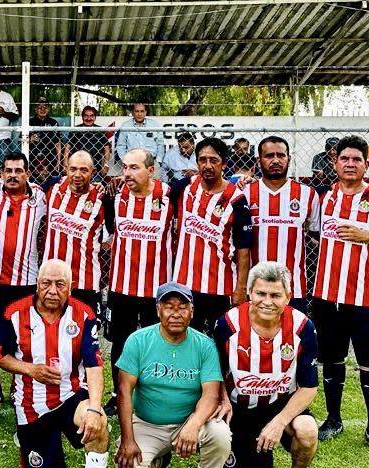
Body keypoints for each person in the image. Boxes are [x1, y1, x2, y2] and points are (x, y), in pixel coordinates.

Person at [311, 135, 369, 452]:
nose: (350, 164)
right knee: (331, 361)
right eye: (344, 159)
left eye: (356, 159)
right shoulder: (323, 197)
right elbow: (311, 231)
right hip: (326, 297)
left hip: (367, 299)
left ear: (366, 164)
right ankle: (334, 419)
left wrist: (365, 236)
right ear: (335, 163)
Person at [0, 260, 111, 468]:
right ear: (37, 284)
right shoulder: (15, 313)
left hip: (71, 395)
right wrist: (30, 369)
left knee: (98, 421)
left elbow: (93, 365)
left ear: (71, 287)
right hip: (31, 403)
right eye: (46, 283)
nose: (52, 290)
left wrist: (94, 407)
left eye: (60, 284)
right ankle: (34, 442)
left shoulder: (84, 315)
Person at [113, 282, 230, 468]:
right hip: (148, 422)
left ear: (192, 312)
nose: (175, 313)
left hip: (189, 421)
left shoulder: (204, 345)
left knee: (220, 434)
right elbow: (124, 391)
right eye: (168, 307)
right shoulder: (138, 340)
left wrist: (193, 426)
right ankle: (157, 464)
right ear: (158, 310)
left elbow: (211, 394)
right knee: (127, 467)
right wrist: (127, 438)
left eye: (182, 307)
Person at [213, 262, 319, 468]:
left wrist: (279, 422)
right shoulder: (228, 324)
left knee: (307, 429)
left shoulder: (303, 328)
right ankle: (238, 456)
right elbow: (213, 371)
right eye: (261, 293)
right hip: (239, 408)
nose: (267, 301)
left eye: (275, 295)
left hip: (280, 404)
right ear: (249, 292)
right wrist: (223, 399)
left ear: (288, 297)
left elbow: (309, 387)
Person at [102, 147, 176, 415]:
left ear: (150, 169)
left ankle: (153, 395)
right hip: (121, 286)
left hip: (156, 289)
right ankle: (118, 394)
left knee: (156, 343)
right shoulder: (114, 195)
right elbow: (110, 228)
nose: (127, 173)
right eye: (124, 167)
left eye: (134, 167)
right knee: (121, 342)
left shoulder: (171, 196)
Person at [0, 151, 47, 402]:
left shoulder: (41, 196)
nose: (13, 175)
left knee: (27, 337)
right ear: (2, 173)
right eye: (8, 170)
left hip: (27, 282)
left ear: (27, 173)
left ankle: (23, 386)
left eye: (18, 171)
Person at [170, 137, 252, 334]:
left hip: (221, 287)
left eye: (213, 160)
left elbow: (243, 249)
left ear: (224, 163)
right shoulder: (183, 188)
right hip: (185, 286)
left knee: (220, 346)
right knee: (186, 343)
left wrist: (240, 289)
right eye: (202, 160)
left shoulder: (237, 199)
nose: (207, 165)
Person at [243, 136, 320, 313]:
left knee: (290, 339)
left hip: (293, 288)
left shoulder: (308, 194)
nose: (276, 160)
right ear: (259, 161)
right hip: (254, 288)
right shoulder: (244, 192)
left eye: (281, 155)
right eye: (269, 156)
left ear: (289, 159)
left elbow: (316, 235)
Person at [42, 151, 107, 307]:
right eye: (73, 169)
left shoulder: (103, 199)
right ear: (66, 168)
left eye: (84, 170)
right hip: (52, 281)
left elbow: (113, 235)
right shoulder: (53, 187)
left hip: (86, 282)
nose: (77, 174)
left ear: (93, 172)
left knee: (85, 330)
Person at [64, 105, 111, 177]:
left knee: (96, 187)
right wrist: (65, 163)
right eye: (86, 116)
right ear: (82, 117)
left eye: (91, 116)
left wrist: (106, 165)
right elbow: (68, 147)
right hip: (77, 169)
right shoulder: (76, 130)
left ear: (95, 118)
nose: (89, 118)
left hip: (95, 170)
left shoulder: (100, 131)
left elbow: (106, 147)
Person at [28, 97, 62, 182]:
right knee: (33, 182)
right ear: (35, 109)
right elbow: (20, 141)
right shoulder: (29, 122)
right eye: (40, 107)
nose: (42, 109)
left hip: (50, 158)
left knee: (51, 182)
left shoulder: (53, 123)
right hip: (33, 158)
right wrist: (30, 140)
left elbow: (57, 143)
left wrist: (58, 161)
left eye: (45, 107)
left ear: (49, 109)